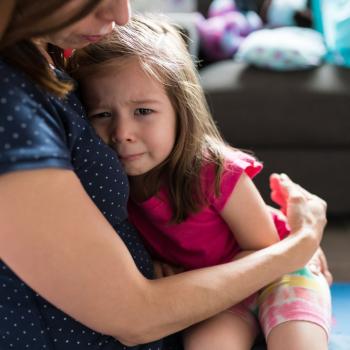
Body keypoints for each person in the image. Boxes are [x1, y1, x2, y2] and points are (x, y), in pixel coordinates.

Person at [0, 1, 329, 349]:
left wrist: (297, 251)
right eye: (102, 115)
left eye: (143, 111)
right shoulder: (16, 107)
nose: (122, 133)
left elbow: (266, 249)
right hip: (217, 293)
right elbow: (131, 308)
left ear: (180, 112)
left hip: (267, 278)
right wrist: (302, 241)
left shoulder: (215, 173)